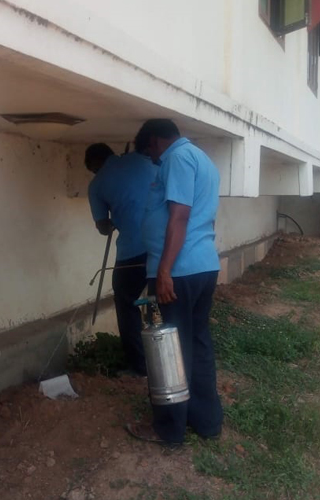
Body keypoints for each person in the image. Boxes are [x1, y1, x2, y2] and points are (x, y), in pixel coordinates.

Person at [126, 119, 223, 445]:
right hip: (202, 265)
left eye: (151, 155)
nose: (154, 162)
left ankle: (169, 429)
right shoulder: (202, 159)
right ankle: (206, 421)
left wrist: (164, 271)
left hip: (179, 272)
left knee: (170, 350)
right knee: (196, 344)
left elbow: (179, 216)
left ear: (154, 142)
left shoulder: (177, 158)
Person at [85, 143, 157, 376]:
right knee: (166, 299)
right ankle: (175, 358)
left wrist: (112, 220)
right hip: (166, 245)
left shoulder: (96, 185)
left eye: (92, 170)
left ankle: (139, 367)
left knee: (126, 301)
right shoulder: (142, 160)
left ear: (95, 164)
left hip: (133, 251)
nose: (95, 174)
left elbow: (103, 228)